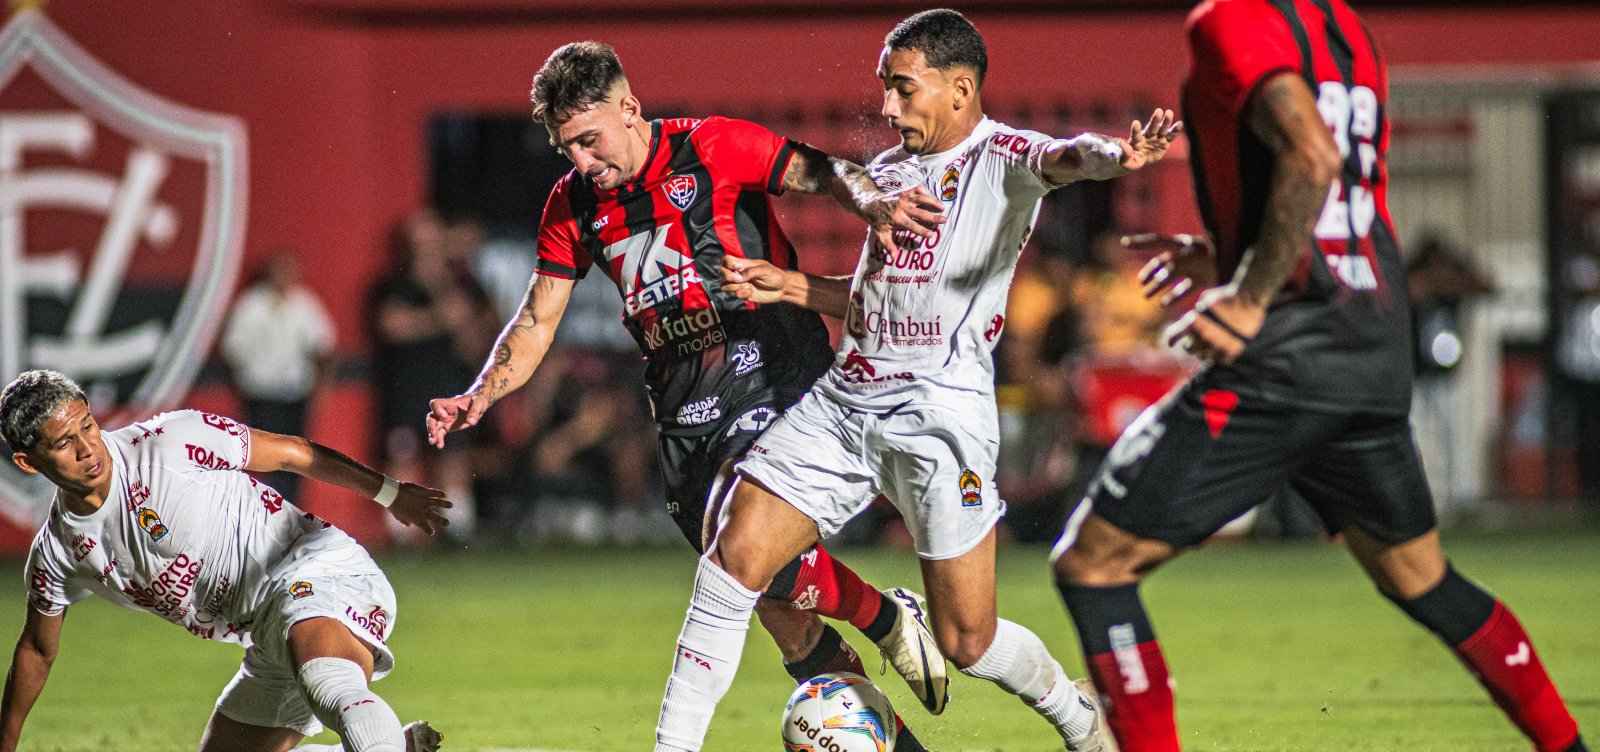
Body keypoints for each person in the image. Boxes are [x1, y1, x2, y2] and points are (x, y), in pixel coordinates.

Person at [1049, 1, 1591, 751]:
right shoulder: (1344, 27)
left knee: (1094, 566)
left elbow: (1311, 157)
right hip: (1370, 338)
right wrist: (1231, 249)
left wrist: (1246, 295)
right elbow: (1340, 195)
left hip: (1290, 353)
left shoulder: (1228, 19)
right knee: (1420, 577)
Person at [662, 10, 1180, 751]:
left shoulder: (1003, 157)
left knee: (968, 641)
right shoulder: (893, 178)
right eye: (886, 89)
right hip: (846, 403)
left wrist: (1119, 157)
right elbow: (880, 297)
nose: (887, 107)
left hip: (940, 416)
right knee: (732, 555)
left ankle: (1077, 715)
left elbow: (1071, 157)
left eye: (903, 89)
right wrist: (793, 285)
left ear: (961, 90)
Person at [423, 41, 952, 749]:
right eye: (565, 147)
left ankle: (881, 626)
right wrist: (480, 394)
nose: (581, 160)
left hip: (771, 364)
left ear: (630, 110)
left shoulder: (712, 146)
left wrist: (876, 205)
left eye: (589, 139)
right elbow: (538, 318)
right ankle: (891, 664)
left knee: (745, 552)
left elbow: (827, 171)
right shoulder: (573, 203)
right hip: (680, 401)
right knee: (778, 607)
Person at [0, 370, 450, 752]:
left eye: (87, 425)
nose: (87, 448)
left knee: (328, 681)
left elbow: (293, 453)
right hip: (267, 630)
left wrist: (390, 493)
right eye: (64, 442)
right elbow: (37, 649)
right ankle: (390, 744)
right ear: (27, 461)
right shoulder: (58, 552)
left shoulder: (168, 442)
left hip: (315, 569)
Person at [221, 252, 337, 502]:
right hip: (261, 393)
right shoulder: (251, 304)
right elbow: (232, 348)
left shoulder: (304, 303)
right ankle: (263, 508)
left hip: (295, 393)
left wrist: (320, 385)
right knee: (262, 457)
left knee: (296, 457)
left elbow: (323, 346)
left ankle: (291, 509)